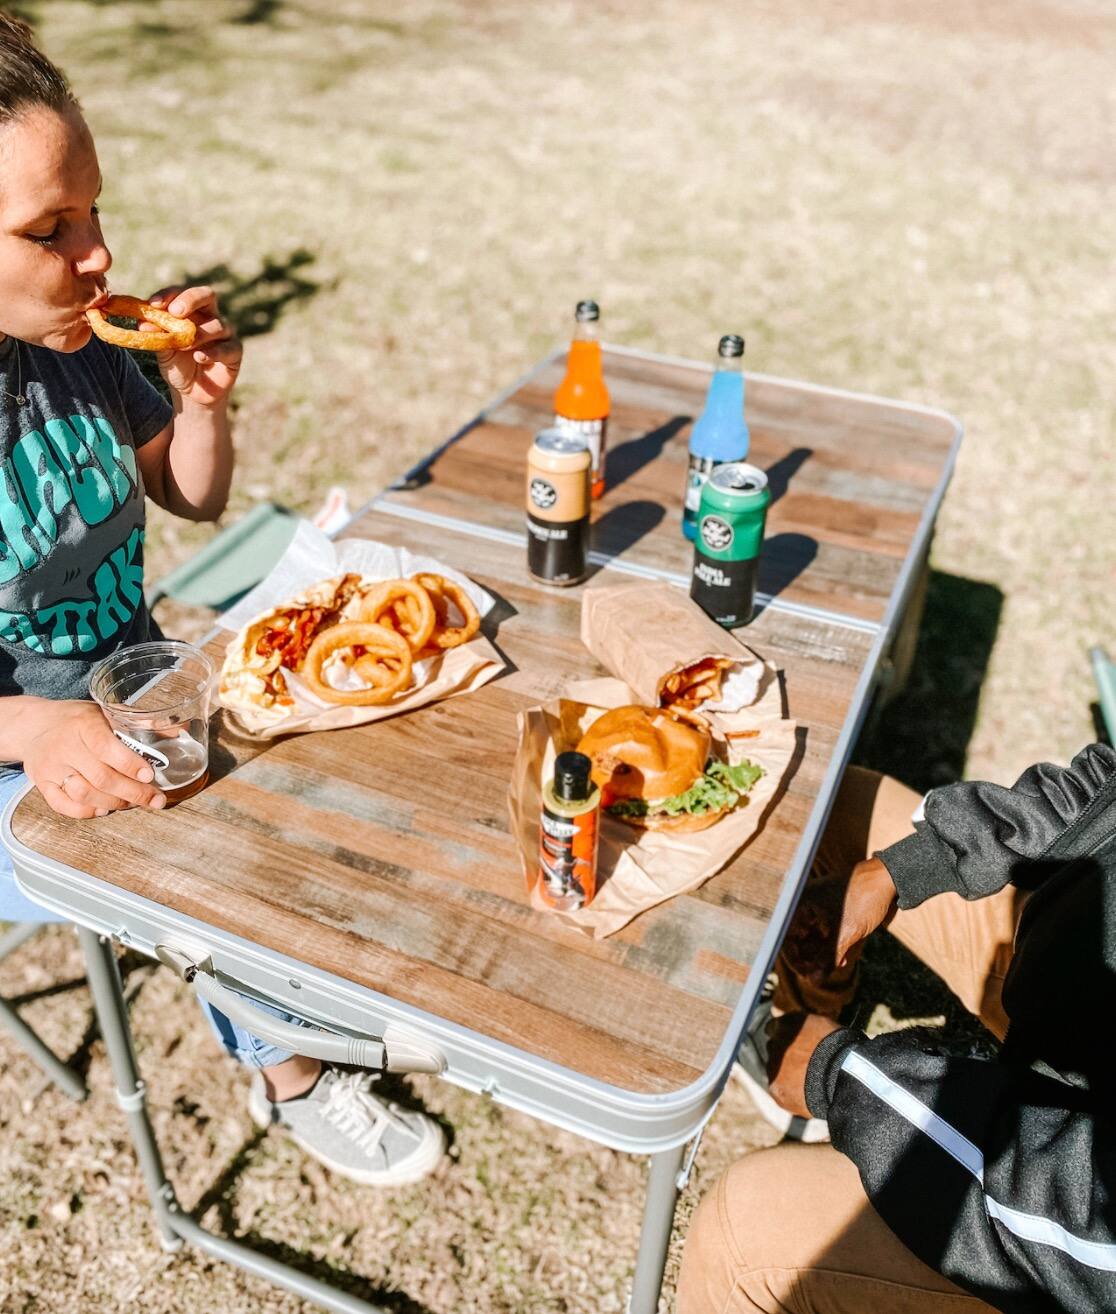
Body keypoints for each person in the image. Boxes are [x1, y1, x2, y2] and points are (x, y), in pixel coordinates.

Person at [0, 11, 443, 1187]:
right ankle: (292, 1070)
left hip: (133, 672)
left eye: (93, 212)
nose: (97, 255)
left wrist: (198, 401)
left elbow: (191, 498)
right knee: (216, 847)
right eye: (51, 228)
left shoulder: (79, 344)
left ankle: (306, 1003)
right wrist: (36, 725)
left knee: (344, 733)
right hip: (12, 747)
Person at [677, 742, 1116, 1314]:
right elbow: (1099, 796)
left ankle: (814, 1082)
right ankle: (797, 1055)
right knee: (842, 811)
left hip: (1068, 1248)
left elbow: (1090, 1227)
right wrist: (904, 868)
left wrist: (843, 1076)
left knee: (741, 1228)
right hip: (1064, 1005)